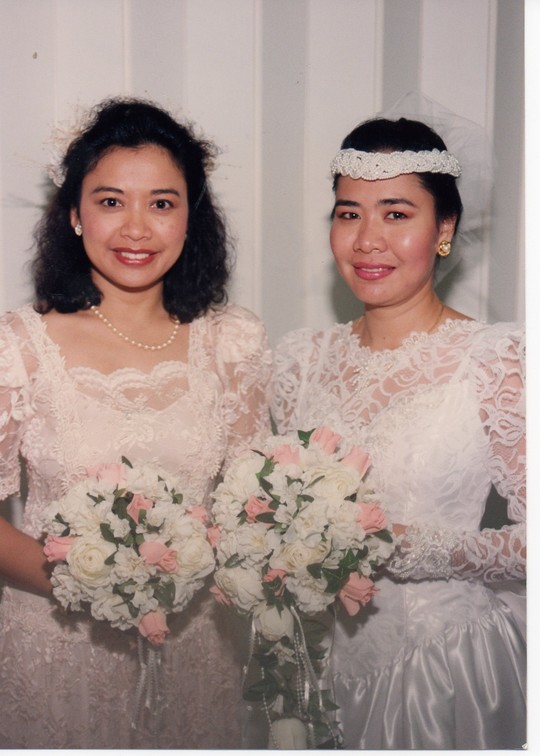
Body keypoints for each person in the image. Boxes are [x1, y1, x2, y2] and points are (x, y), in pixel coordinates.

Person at [0, 97, 271, 748]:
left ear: (190, 216)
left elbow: (250, 507)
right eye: (111, 201)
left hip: (199, 646)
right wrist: (95, 583)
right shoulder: (17, 347)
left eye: (162, 203)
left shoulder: (233, 341)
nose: (136, 229)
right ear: (74, 213)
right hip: (59, 650)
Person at [271, 116, 526, 749]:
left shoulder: (498, 359)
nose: (367, 240)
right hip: (319, 675)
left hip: (442, 671)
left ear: (444, 229)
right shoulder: (298, 360)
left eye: (396, 214)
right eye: (349, 214)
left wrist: (410, 547)